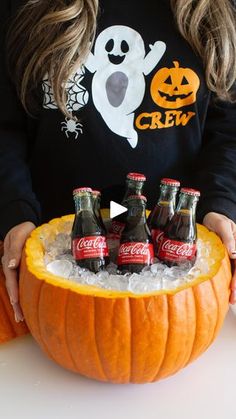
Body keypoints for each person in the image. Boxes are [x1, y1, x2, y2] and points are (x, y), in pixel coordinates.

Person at [0, 0, 236, 322]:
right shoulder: (21, 8)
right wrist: (14, 211)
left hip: (173, 265)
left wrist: (221, 204)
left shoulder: (219, 9)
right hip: (57, 260)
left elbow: (228, 128)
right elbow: (5, 127)